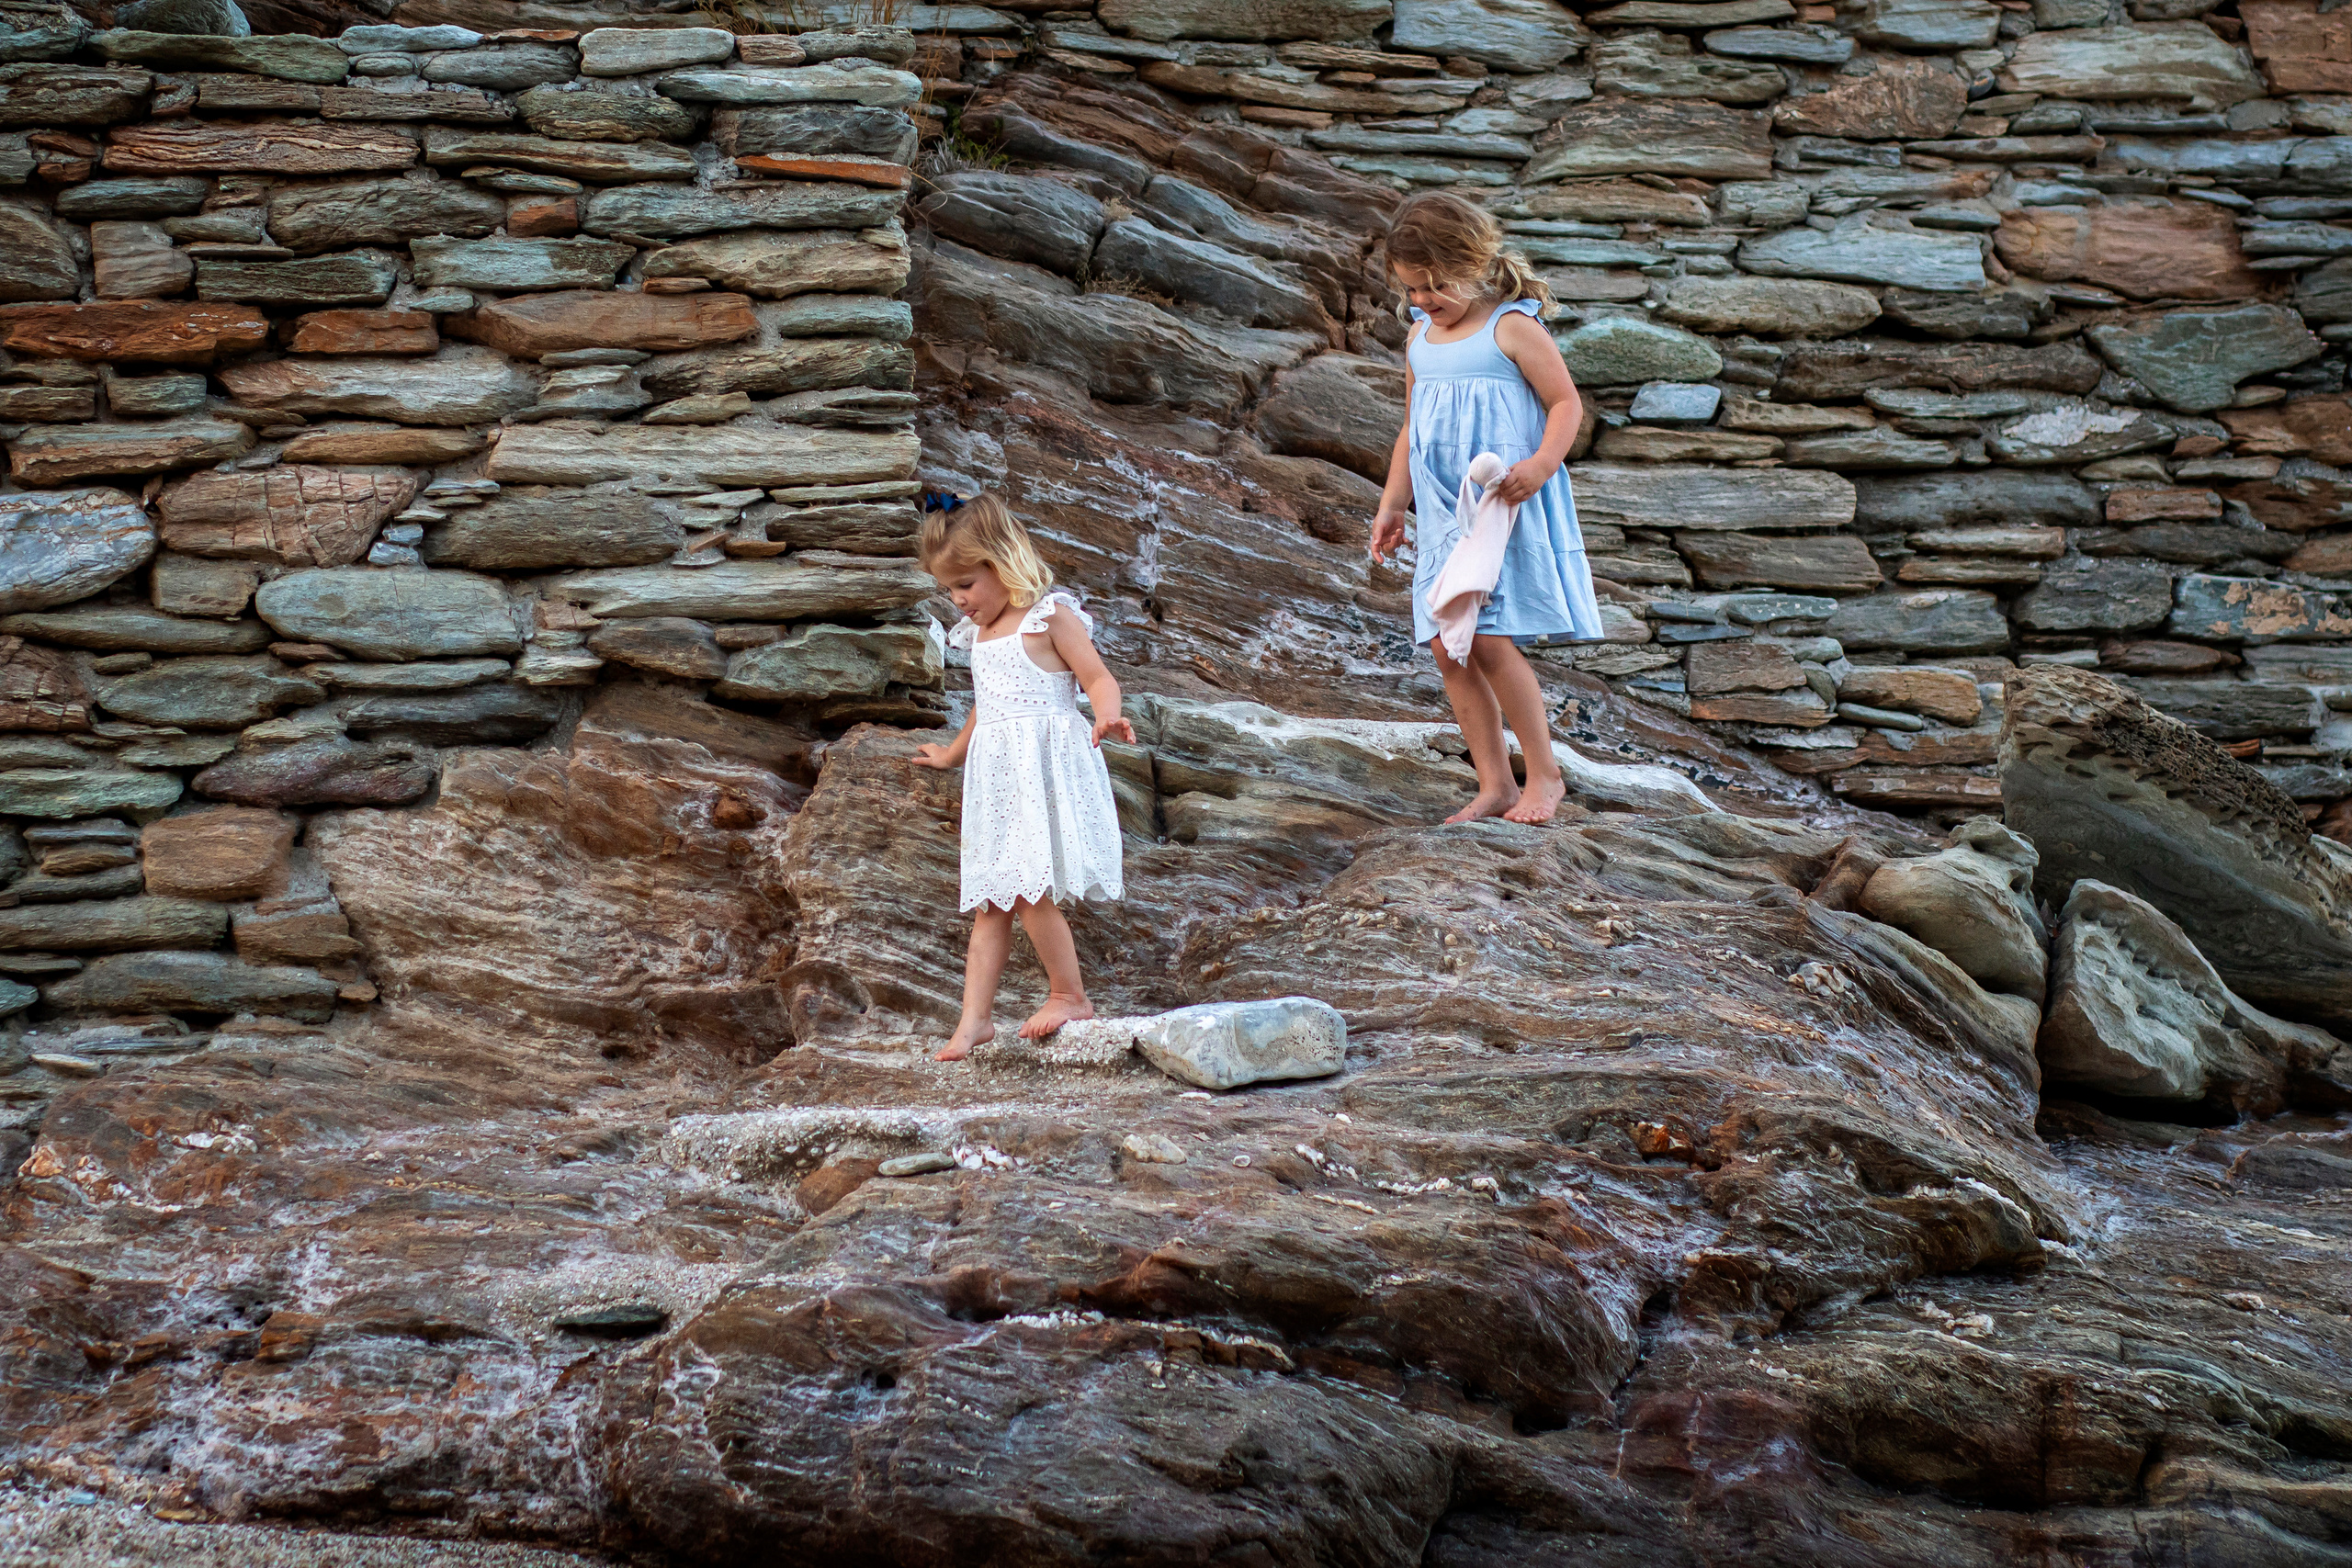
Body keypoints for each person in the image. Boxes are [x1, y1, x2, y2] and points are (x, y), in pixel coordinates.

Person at [1369, 190, 1605, 826]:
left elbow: (1565, 405)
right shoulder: (1421, 339)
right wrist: (1393, 504)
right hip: (1445, 514)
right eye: (1411, 290)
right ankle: (1495, 783)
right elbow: (1412, 428)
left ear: (1472, 263)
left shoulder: (1512, 328)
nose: (1422, 301)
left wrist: (1541, 464)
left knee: (1491, 636)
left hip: (1500, 507)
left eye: (1434, 286)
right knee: (1449, 647)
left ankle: (1545, 777)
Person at [912, 492, 1131, 1062]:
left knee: (1030, 891)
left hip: (1044, 771)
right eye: (949, 590)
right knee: (992, 901)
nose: (958, 601)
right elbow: (988, 705)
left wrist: (1107, 712)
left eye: (965, 584)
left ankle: (1069, 995)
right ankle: (974, 1021)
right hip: (999, 779)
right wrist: (953, 754)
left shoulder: (1048, 615)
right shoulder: (980, 636)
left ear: (1002, 560)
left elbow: (1097, 677)